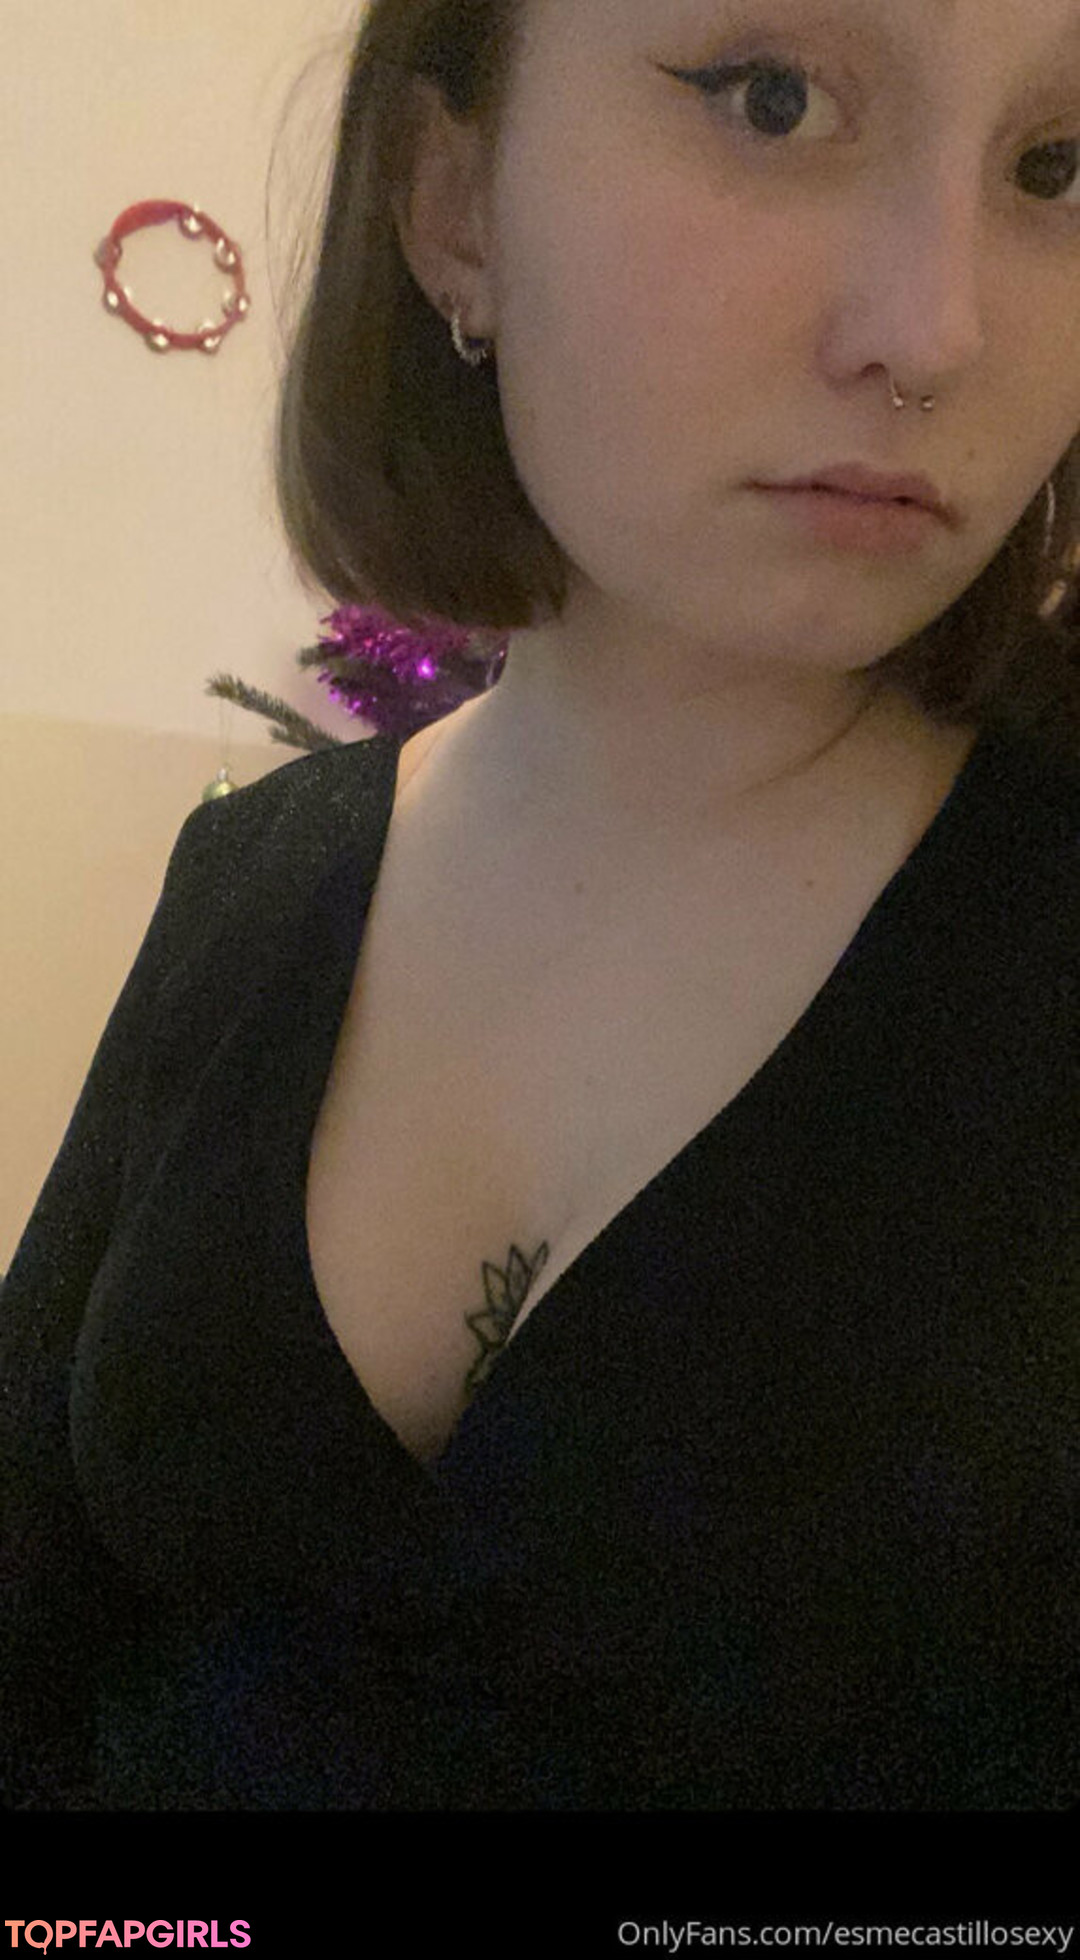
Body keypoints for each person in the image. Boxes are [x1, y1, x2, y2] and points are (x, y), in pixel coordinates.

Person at [3, 0, 1079, 1811]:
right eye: (774, 100)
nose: (935, 332)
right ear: (454, 206)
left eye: (1060, 168)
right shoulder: (254, 879)